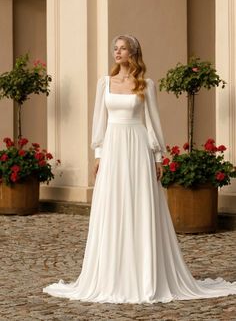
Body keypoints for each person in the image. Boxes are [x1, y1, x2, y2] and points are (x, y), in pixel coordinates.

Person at [43, 34, 236, 303]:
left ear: (133, 53)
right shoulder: (105, 84)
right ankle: (113, 273)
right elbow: (100, 120)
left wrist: (158, 157)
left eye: (122, 48)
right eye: (115, 48)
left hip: (138, 148)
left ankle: (144, 273)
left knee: (141, 204)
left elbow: (153, 122)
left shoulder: (146, 84)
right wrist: (98, 155)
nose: (117, 52)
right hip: (112, 147)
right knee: (113, 204)